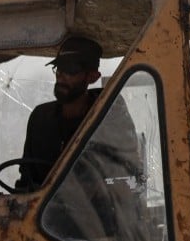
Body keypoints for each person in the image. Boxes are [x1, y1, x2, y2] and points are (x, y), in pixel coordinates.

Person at [15, 36, 139, 192]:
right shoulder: (40, 118)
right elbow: (26, 177)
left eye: (71, 70)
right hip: (44, 213)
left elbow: (130, 177)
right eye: (59, 68)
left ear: (93, 77)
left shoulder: (108, 117)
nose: (61, 75)